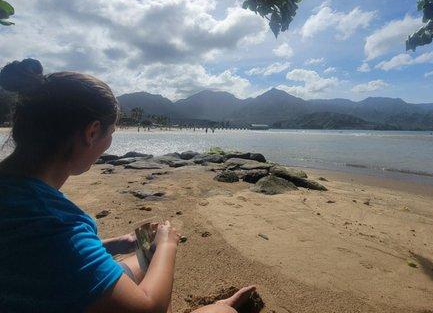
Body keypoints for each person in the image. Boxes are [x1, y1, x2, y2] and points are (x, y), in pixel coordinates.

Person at [0, 59, 255, 313]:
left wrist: (113, 244)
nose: (109, 141)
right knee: (222, 312)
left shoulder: (21, 199)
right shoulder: (54, 223)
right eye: (111, 132)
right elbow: (149, 309)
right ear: (92, 133)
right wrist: (167, 244)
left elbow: (35, 253)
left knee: (143, 259)